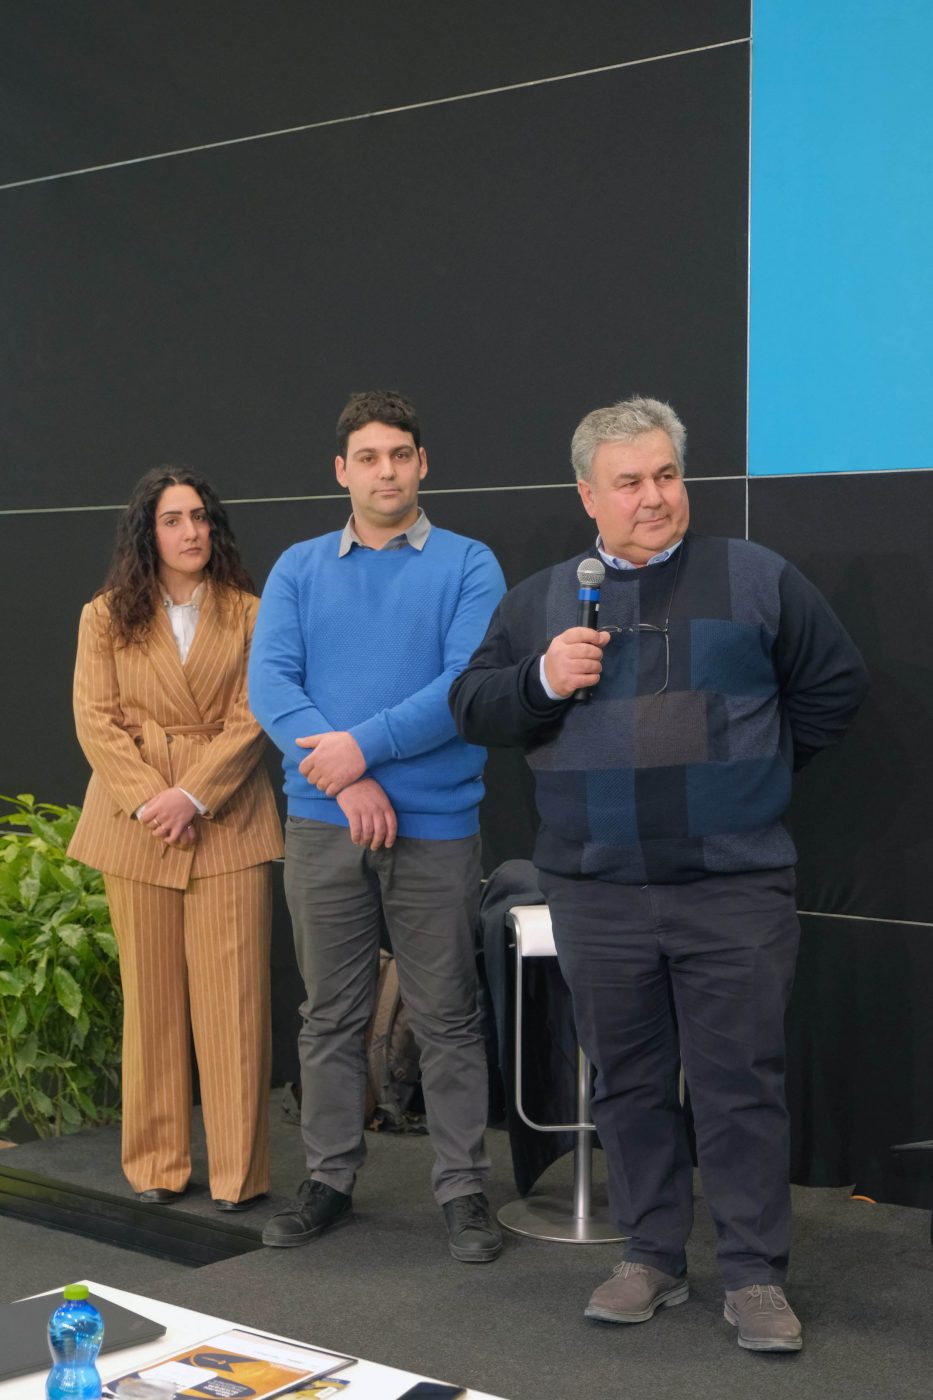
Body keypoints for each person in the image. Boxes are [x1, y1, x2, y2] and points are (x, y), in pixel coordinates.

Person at [450, 396, 869, 1348]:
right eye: (629, 481)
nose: (653, 497)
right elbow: (473, 705)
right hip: (596, 890)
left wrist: (754, 776)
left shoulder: (756, 577)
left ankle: (753, 1275)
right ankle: (649, 1254)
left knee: (738, 1085)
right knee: (628, 1084)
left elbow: (832, 686)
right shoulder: (538, 602)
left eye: (667, 475)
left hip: (732, 886)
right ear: (587, 496)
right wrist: (540, 681)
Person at [249, 389, 506, 1261]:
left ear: (421, 464)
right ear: (341, 471)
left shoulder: (469, 565)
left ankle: (463, 1190)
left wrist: (359, 751)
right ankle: (327, 1180)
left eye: (400, 455)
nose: (385, 471)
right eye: (368, 457)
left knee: (447, 1015)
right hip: (324, 823)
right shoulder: (299, 567)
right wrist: (349, 779)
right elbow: (271, 685)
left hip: (435, 825)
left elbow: (462, 684)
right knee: (329, 1015)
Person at [68, 467, 283, 1210]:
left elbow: (256, 715)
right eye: (173, 519)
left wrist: (191, 795)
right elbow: (94, 720)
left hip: (227, 817)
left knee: (235, 1007)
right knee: (151, 1006)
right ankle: (157, 1165)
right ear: (146, 533)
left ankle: (237, 1175)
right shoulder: (105, 616)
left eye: (199, 517)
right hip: (136, 827)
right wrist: (150, 801)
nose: (191, 531)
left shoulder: (251, 612)